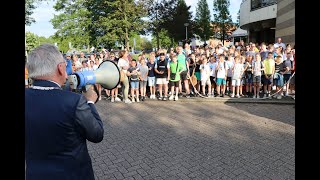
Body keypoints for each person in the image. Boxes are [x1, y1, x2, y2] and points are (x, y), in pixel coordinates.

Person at [25, 44, 104, 180]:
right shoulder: (74, 101)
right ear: (60, 68)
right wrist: (90, 101)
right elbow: (96, 134)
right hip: (73, 175)